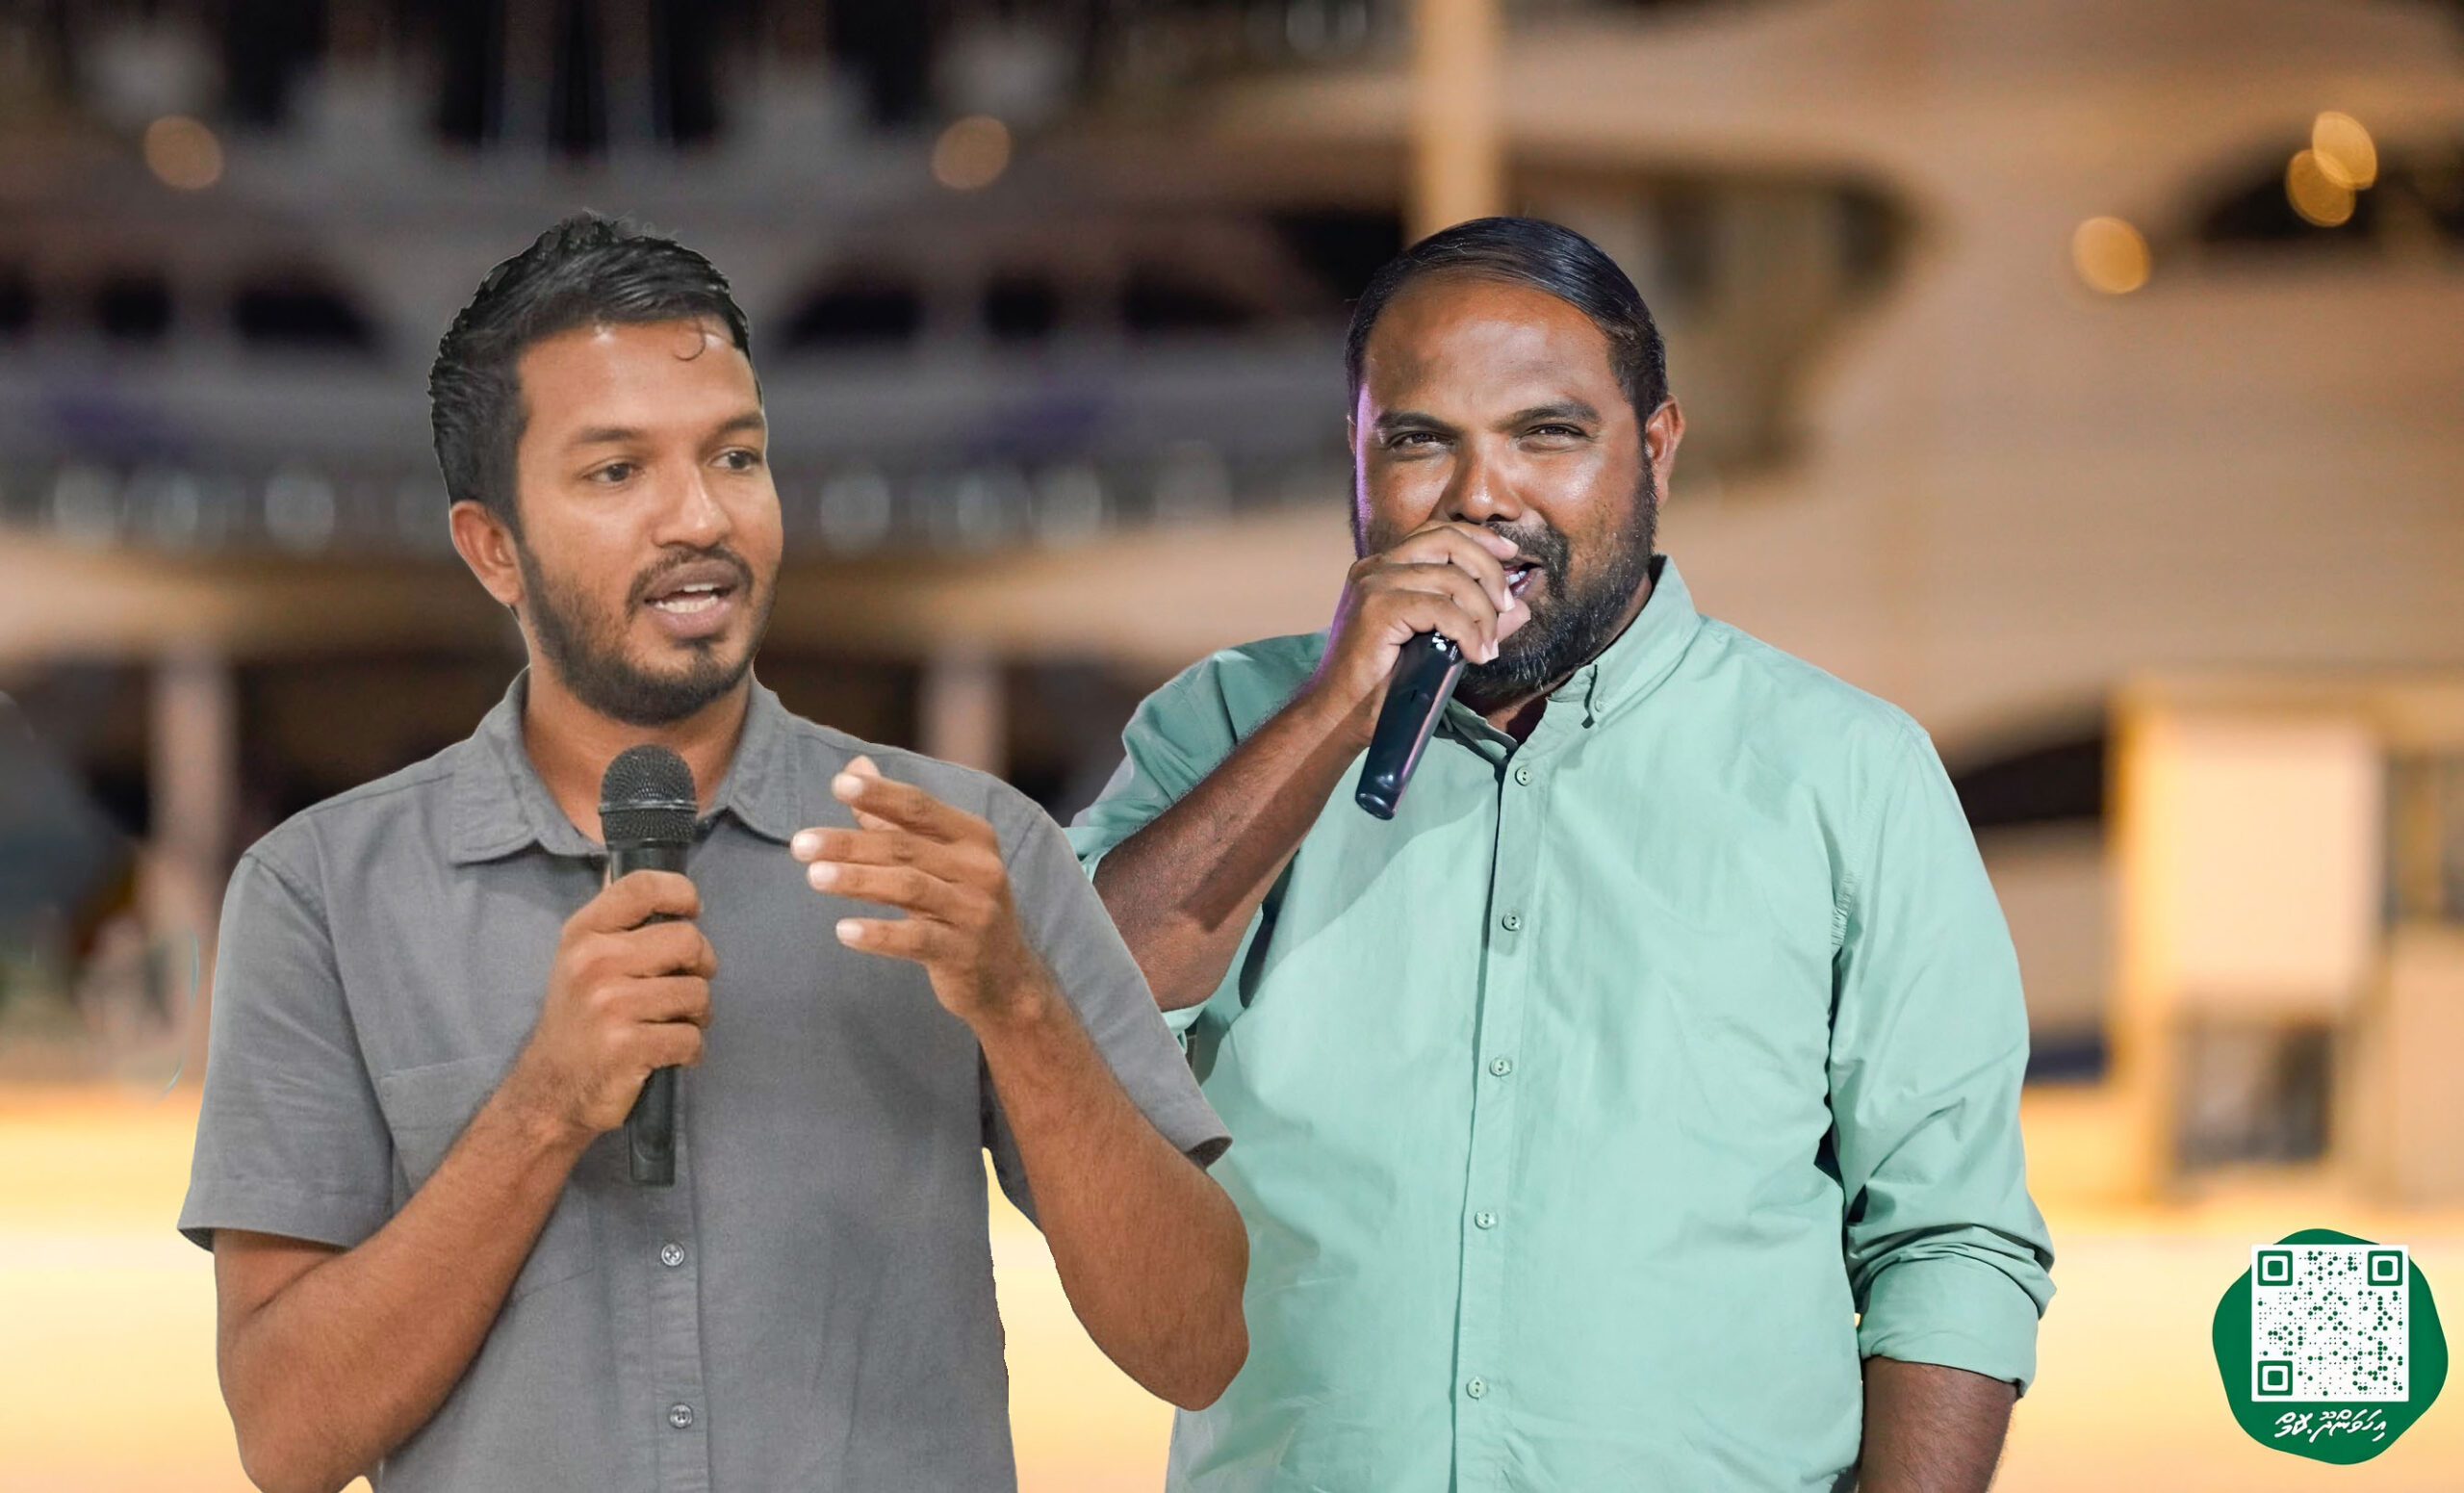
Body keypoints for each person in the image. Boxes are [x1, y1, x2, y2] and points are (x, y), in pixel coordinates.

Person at [179, 216, 1246, 1493]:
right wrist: (543, 1106)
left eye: (736, 456)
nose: (700, 516)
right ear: (493, 548)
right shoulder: (317, 894)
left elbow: (1197, 1346)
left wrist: (1020, 1004)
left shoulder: (972, 856)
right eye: (616, 471)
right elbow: (288, 1440)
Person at [1071, 217, 2055, 1492]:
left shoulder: (1847, 772)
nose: (1483, 499)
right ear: (1355, 461)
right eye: (1419, 441)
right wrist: (1327, 716)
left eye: (1548, 434)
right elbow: (1078, 1026)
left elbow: (1949, 1240)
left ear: (1657, 449)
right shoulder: (1219, 726)